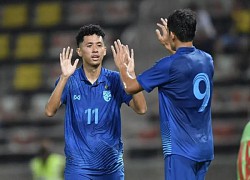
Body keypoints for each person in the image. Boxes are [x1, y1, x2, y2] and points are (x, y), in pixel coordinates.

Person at [111, 9, 214, 180]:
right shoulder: (207, 60)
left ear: (172, 34)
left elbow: (130, 87)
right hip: (205, 147)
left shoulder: (168, 65)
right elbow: (184, 68)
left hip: (181, 150)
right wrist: (172, 48)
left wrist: (124, 68)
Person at [44, 24, 147, 180]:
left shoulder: (115, 79)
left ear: (105, 50)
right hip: (79, 168)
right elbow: (49, 111)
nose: (95, 50)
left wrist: (131, 74)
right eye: (89, 45)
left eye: (99, 45)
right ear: (79, 51)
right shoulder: (70, 81)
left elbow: (141, 109)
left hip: (111, 168)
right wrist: (64, 78)